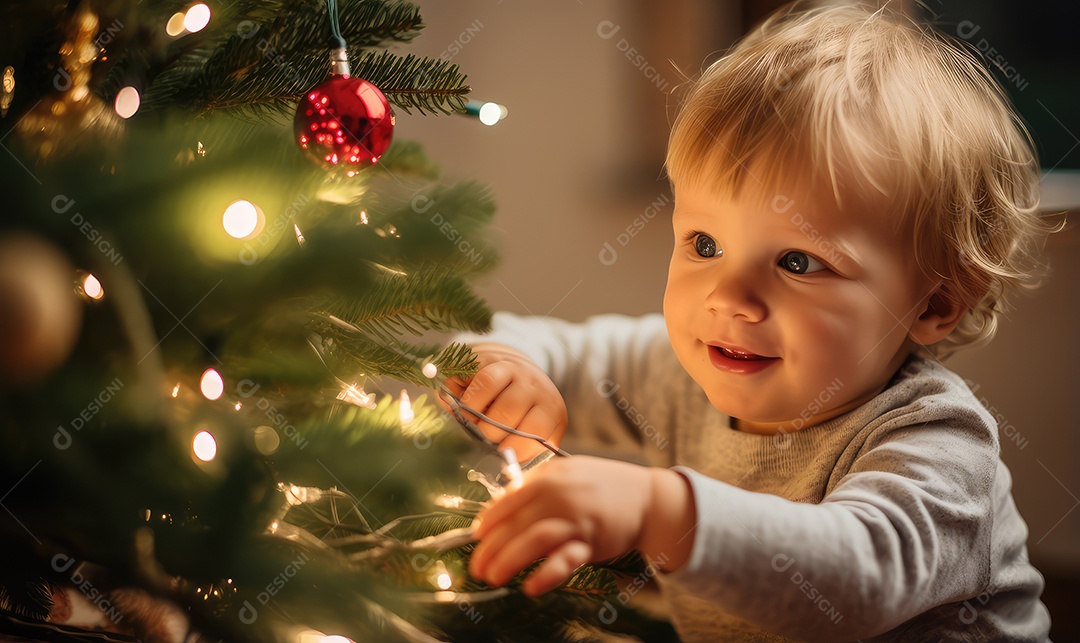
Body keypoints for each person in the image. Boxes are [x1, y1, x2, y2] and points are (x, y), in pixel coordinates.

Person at [448, 1, 1055, 640]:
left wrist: (661, 511)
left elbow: (854, 583)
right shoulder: (678, 367)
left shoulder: (936, 438)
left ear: (933, 304)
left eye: (798, 261)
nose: (730, 297)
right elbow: (523, 342)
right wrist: (508, 369)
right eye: (704, 245)